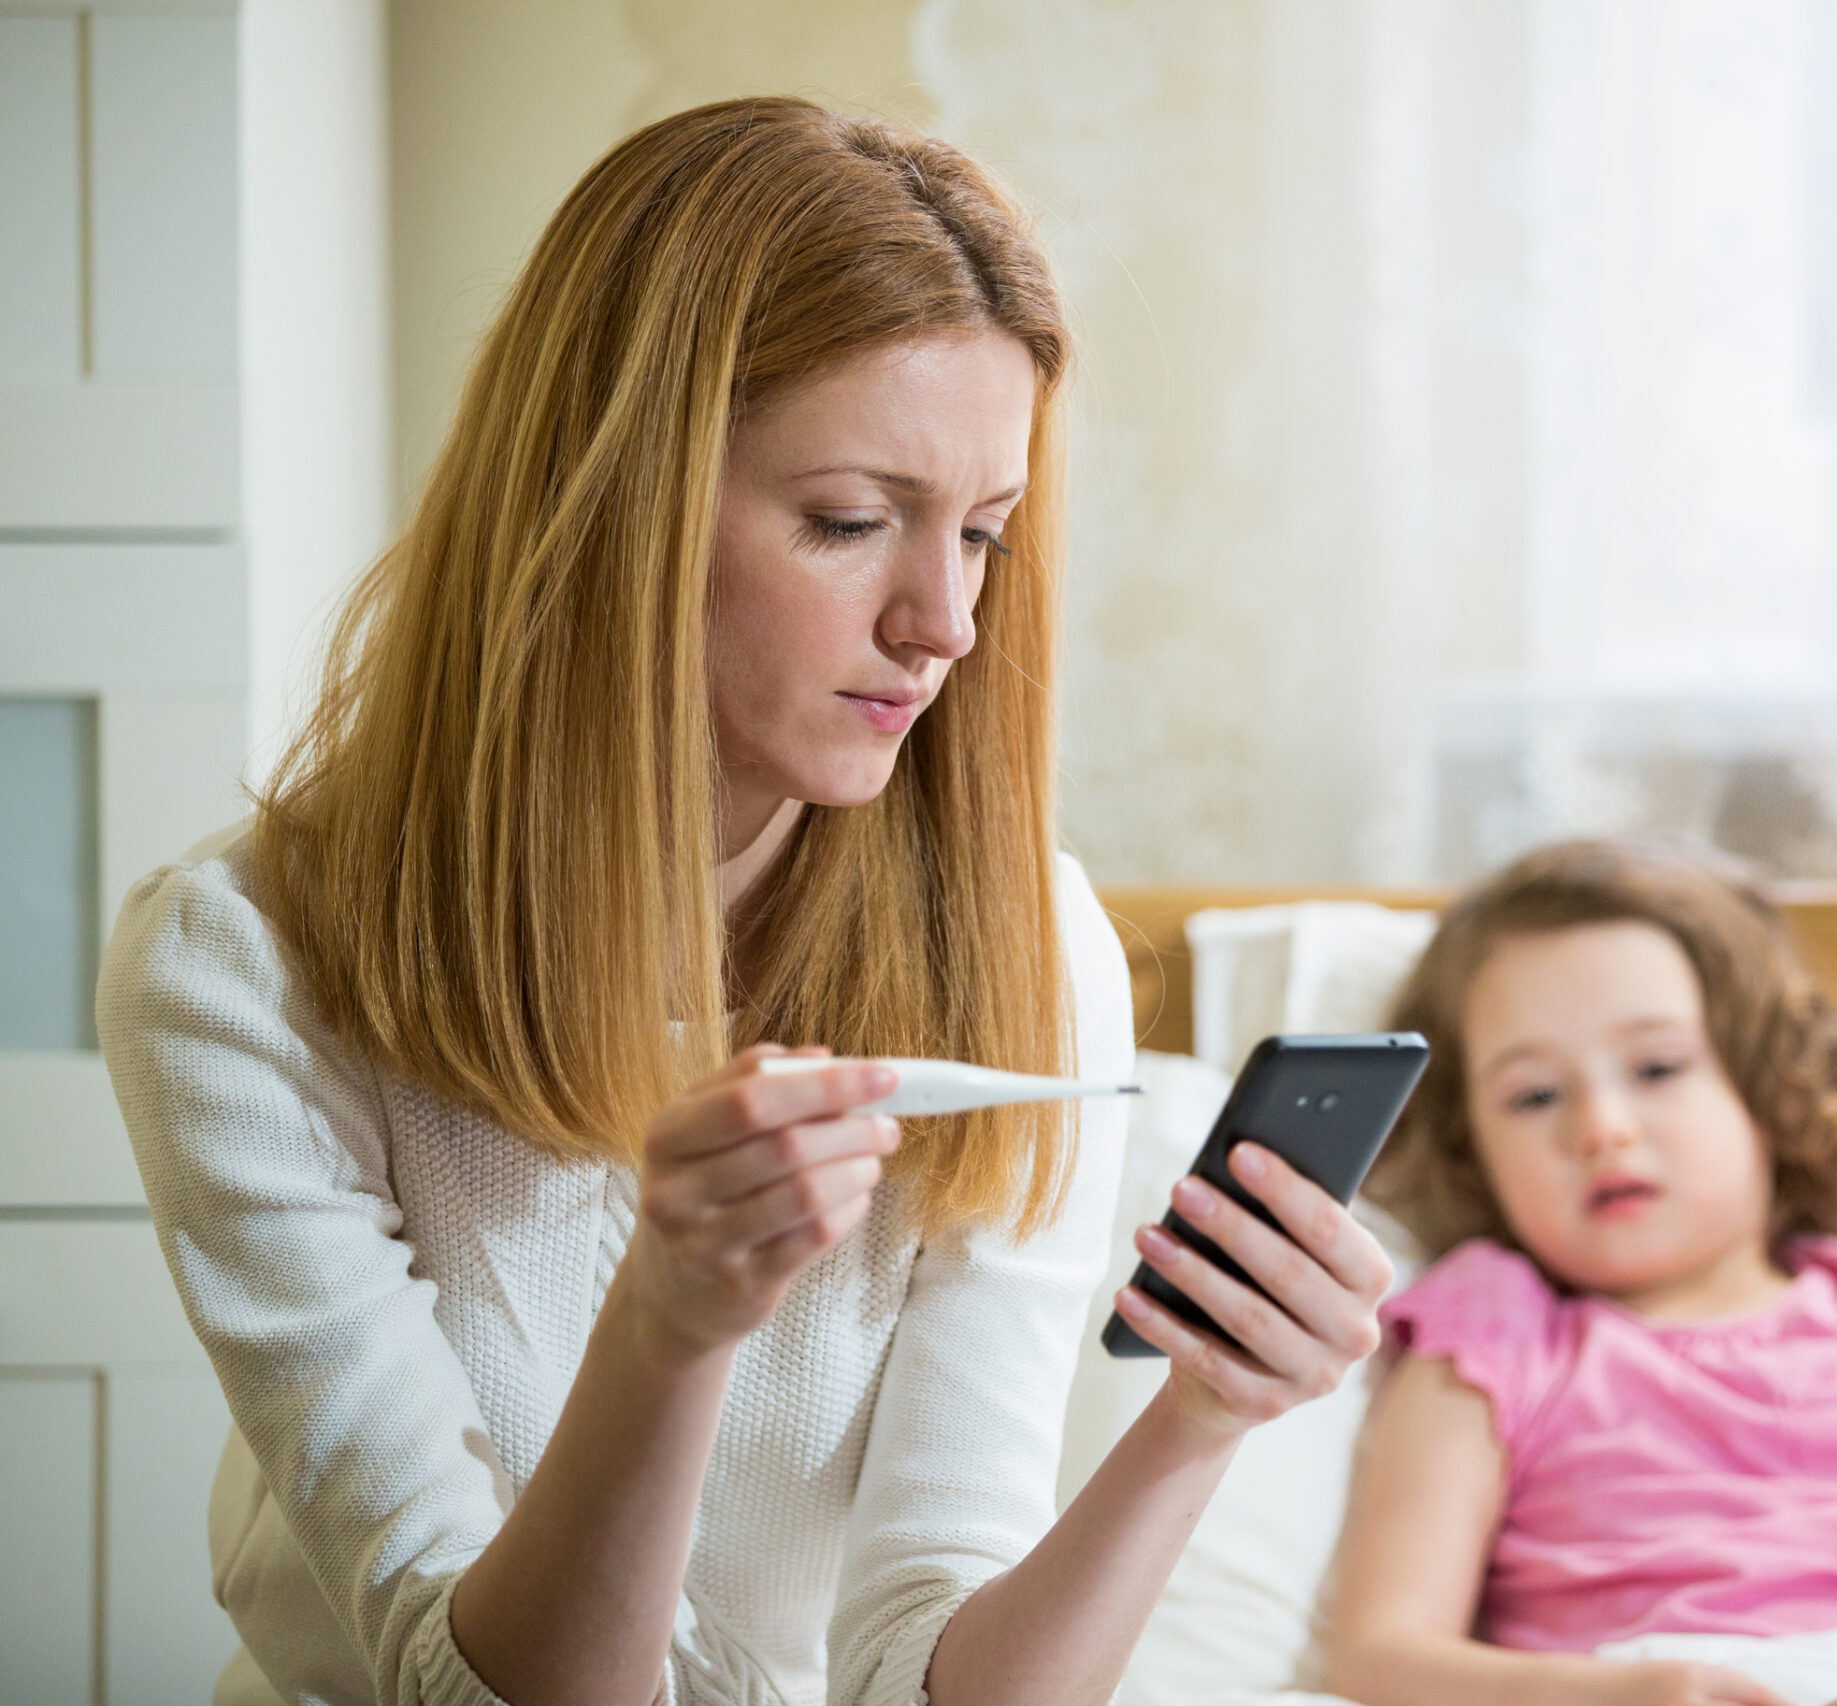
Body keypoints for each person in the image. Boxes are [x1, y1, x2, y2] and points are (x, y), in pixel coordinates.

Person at [97, 98, 1391, 1706]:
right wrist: (672, 1317)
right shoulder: (238, 969)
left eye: (983, 535)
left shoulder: (1023, 945)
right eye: (851, 522)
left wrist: (1203, 1416)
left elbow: (932, 1661)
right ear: (611, 500)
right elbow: (464, 1685)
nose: (947, 625)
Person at [1325, 839, 1837, 1706]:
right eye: (1535, 1095)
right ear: (1473, 1149)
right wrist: (1616, 1699)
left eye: (1657, 1067)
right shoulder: (1488, 1330)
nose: (1602, 1127)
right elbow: (1381, 1650)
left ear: (1773, 1087)